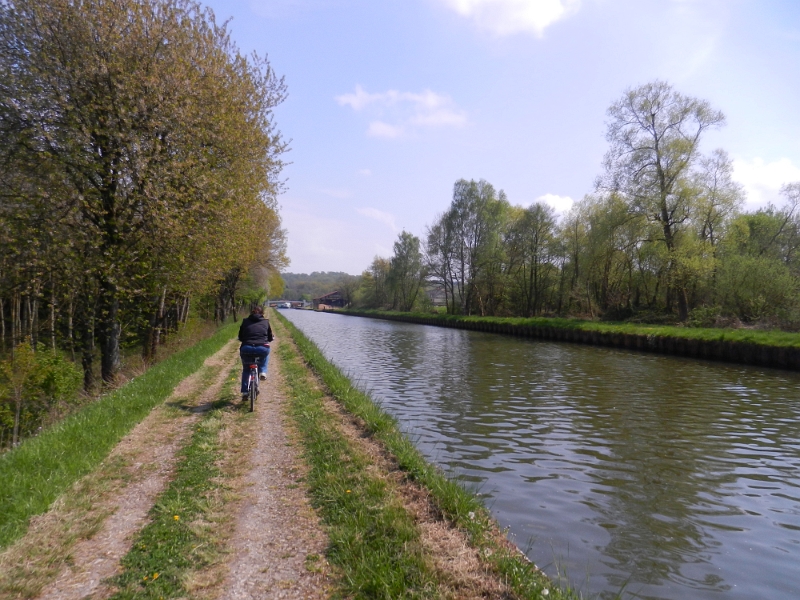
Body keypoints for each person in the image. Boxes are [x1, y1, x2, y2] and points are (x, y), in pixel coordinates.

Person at [238, 306, 273, 401]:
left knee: (246, 370)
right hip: (262, 348)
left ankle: (245, 392)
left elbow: (240, 336)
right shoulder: (266, 322)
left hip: (247, 348)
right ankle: (263, 371)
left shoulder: (245, 321)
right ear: (262, 313)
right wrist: (269, 339)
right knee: (266, 353)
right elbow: (270, 337)